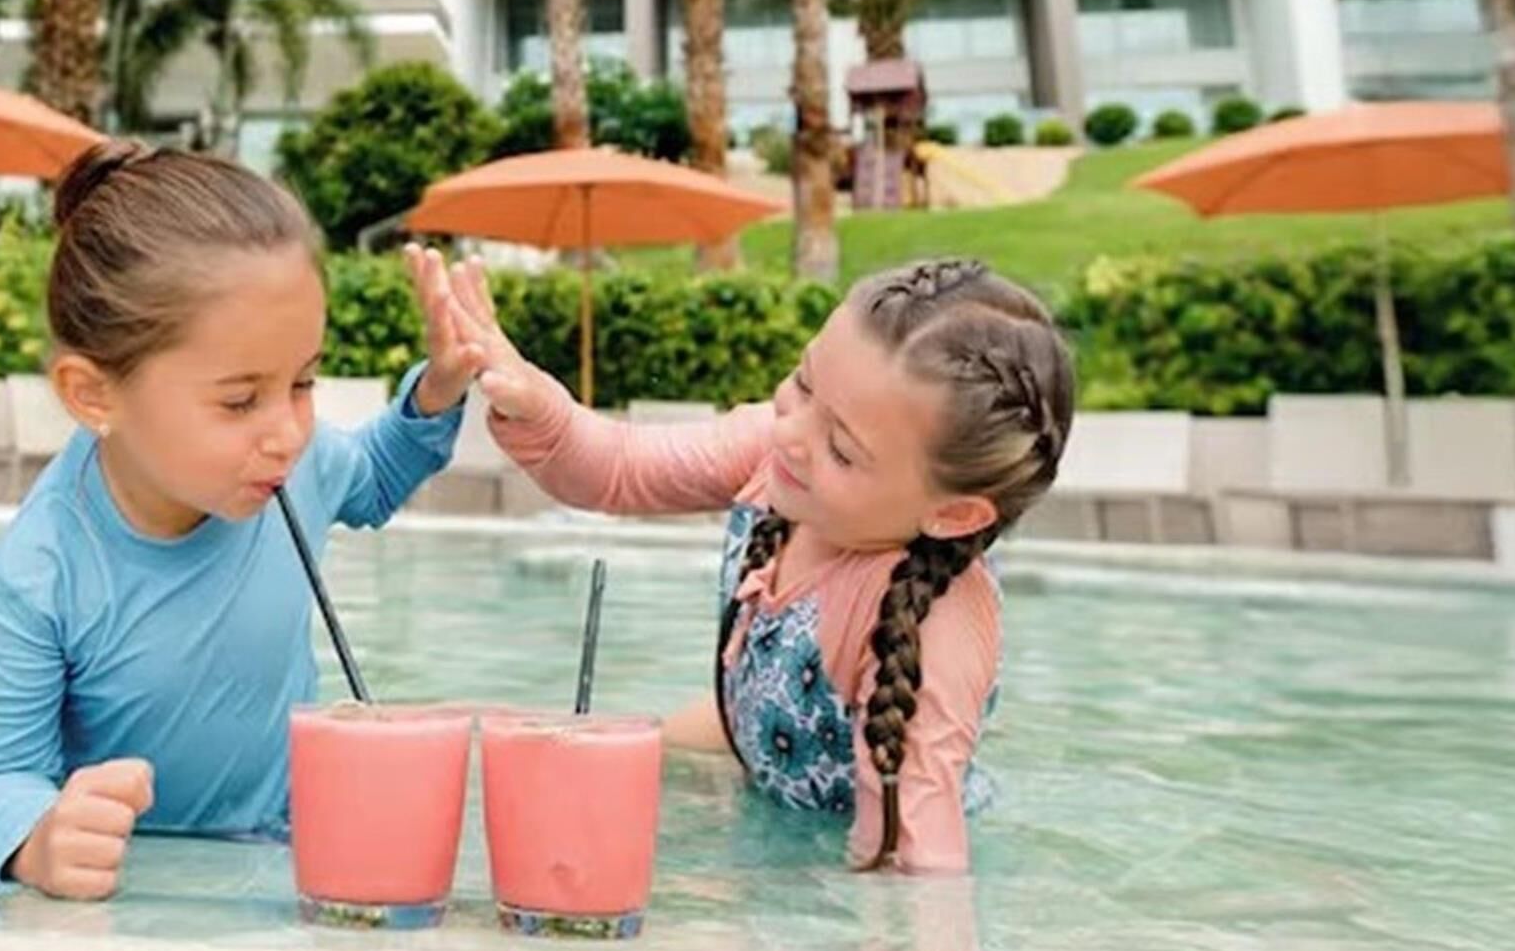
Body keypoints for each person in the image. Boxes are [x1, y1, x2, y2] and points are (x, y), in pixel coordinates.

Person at [0, 145, 481, 899]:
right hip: (143, 888)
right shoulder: (46, 564)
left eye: (302, 382)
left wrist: (439, 387)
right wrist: (38, 839)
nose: (287, 430)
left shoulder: (296, 464)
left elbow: (376, 481)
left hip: (286, 853)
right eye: (238, 400)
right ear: (94, 394)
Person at [425, 250, 1070, 872]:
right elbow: (619, 469)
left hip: (830, 845)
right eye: (804, 382)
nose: (790, 433)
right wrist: (538, 404)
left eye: (842, 450)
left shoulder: (935, 623)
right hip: (747, 756)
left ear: (954, 514)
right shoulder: (784, 448)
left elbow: (911, 858)